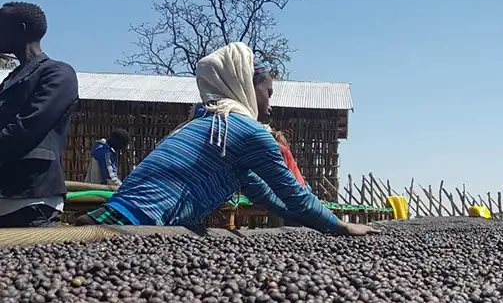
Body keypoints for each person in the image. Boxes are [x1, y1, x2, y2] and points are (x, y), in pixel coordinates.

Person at [78, 42, 378, 237]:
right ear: (246, 86)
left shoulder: (208, 124)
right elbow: (293, 195)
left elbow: (268, 198)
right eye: (268, 93)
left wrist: (311, 221)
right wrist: (340, 226)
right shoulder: (247, 132)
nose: (271, 105)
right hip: (137, 225)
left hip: (113, 216)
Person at [0, 2, 79, 228]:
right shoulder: (9, 80)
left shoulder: (58, 73)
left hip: (32, 200)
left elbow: (26, 128)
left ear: (21, 29)